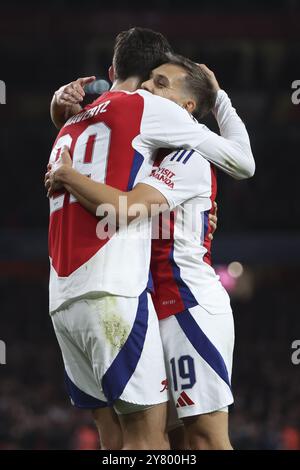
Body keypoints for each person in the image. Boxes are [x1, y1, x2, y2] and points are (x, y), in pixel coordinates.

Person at [47, 50, 255, 449]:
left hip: (187, 305)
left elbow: (124, 208)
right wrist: (62, 106)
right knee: (165, 439)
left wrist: (69, 177)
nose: (145, 86)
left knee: (204, 440)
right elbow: (100, 140)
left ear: (186, 106)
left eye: (161, 83)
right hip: (150, 305)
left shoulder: (186, 154)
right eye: (148, 79)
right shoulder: (148, 147)